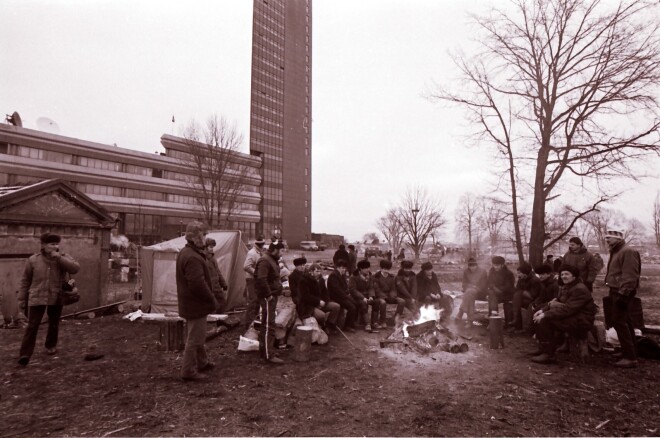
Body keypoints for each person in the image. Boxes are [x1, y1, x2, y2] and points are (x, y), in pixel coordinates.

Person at [17, 232, 80, 366]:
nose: (55, 247)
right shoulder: (33, 260)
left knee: (54, 323)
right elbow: (25, 280)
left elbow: (75, 268)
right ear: (44, 245)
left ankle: (50, 345)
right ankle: (25, 354)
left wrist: (59, 258)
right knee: (32, 325)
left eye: (57, 244)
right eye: (52, 244)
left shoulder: (62, 258)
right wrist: (22, 299)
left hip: (56, 296)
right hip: (37, 296)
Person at [175, 222, 217, 380]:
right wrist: (212, 299)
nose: (206, 238)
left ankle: (202, 362)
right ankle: (188, 372)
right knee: (194, 339)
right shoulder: (192, 257)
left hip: (191, 304)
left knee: (197, 335)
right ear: (196, 238)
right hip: (195, 305)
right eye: (204, 235)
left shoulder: (186, 252)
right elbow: (197, 284)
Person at [531, 264, 597, 364]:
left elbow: (568, 309)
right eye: (562, 274)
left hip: (582, 320)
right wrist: (543, 310)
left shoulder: (579, 289)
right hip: (573, 317)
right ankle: (543, 348)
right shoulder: (568, 286)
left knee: (545, 320)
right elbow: (557, 300)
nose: (564, 276)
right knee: (538, 316)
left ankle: (549, 355)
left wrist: (546, 314)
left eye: (567, 274)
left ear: (574, 276)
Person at [604, 228, 641, 368]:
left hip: (622, 291)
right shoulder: (617, 250)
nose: (607, 240)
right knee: (625, 321)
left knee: (619, 321)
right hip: (616, 290)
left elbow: (630, 275)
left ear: (618, 238)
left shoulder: (627, 251)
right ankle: (631, 352)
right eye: (606, 237)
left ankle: (630, 357)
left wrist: (623, 294)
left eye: (610, 238)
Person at [254, 238, 286, 364]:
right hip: (268, 297)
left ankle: (265, 350)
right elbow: (261, 279)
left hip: (272, 295)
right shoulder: (265, 260)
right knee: (269, 325)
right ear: (275, 250)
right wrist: (268, 295)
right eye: (281, 250)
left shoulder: (272, 260)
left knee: (266, 323)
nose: (282, 253)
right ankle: (269, 355)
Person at [296, 264, 341, 334]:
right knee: (321, 315)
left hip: (321, 303)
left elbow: (325, 293)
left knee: (336, 306)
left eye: (320, 271)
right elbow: (305, 296)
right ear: (311, 271)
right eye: (317, 271)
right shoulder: (304, 280)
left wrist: (324, 302)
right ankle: (323, 326)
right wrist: (318, 302)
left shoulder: (321, 279)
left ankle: (329, 325)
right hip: (308, 305)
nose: (319, 273)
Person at [511, 262, 543, 333]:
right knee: (515, 300)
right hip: (523, 299)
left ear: (525, 273)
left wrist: (522, 292)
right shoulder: (521, 279)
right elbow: (517, 289)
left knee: (518, 296)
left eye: (519, 273)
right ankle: (517, 325)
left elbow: (533, 295)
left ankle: (517, 322)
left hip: (534, 300)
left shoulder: (535, 280)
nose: (518, 275)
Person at [327, 260, 358, 332]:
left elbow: (345, 287)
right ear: (337, 268)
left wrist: (347, 293)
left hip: (341, 296)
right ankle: (348, 326)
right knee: (352, 307)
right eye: (342, 268)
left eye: (345, 268)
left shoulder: (342, 275)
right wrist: (347, 296)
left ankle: (352, 322)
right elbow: (336, 290)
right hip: (334, 297)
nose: (344, 270)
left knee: (356, 303)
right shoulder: (333, 275)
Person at [456, 257, 487, 327]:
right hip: (469, 292)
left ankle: (461, 313)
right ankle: (469, 321)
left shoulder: (482, 271)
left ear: (476, 265)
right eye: (470, 266)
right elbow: (464, 284)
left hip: (481, 293)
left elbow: (484, 285)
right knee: (469, 295)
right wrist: (471, 286)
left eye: (474, 266)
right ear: (468, 266)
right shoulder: (466, 272)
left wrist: (475, 288)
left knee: (468, 293)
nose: (472, 268)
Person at [348, 260, 378, 331]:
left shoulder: (370, 276)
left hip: (367, 296)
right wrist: (363, 298)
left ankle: (374, 322)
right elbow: (353, 290)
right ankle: (367, 324)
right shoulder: (353, 277)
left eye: (369, 268)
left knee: (376, 302)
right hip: (356, 297)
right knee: (363, 304)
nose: (368, 269)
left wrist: (371, 296)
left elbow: (371, 287)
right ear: (360, 269)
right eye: (366, 268)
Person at [242, 235, 266, 326]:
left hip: (256, 279)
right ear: (259, 244)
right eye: (262, 244)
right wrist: (256, 273)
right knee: (253, 300)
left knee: (258, 300)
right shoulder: (252, 253)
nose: (263, 245)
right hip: (251, 279)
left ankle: (254, 320)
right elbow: (246, 266)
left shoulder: (259, 252)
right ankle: (248, 322)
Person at [373, 259, 404, 326]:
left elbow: (393, 288)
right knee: (383, 302)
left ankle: (395, 319)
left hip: (390, 296)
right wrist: (384, 297)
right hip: (380, 296)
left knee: (402, 301)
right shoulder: (376, 277)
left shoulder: (392, 277)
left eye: (388, 269)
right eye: (385, 269)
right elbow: (376, 289)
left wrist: (393, 295)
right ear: (381, 268)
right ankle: (383, 320)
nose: (386, 271)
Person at [487, 256, 515, 327]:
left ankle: (496, 318)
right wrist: (493, 287)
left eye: (497, 265)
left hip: (507, 295)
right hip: (495, 294)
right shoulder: (492, 271)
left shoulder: (508, 273)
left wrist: (496, 289)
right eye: (494, 265)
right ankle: (493, 318)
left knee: (492, 295)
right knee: (491, 295)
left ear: (502, 265)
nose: (495, 267)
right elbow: (489, 282)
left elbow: (508, 287)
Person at [204, 237, 228, 313]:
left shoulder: (212, 258)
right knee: (212, 308)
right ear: (206, 247)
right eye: (210, 247)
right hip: (209, 287)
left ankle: (219, 323)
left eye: (213, 247)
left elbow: (217, 271)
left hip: (217, 287)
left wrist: (223, 284)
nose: (212, 249)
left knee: (222, 304)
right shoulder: (202, 258)